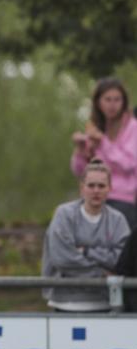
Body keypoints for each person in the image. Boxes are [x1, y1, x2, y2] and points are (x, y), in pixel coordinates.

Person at [43, 160, 130, 312]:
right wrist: (102, 275)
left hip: (105, 304)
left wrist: (87, 251)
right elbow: (62, 259)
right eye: (91, 185)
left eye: (101, 186)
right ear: (82, 188)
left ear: (109, 188)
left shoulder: (118, 220)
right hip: (66, 304)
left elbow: (123, 260)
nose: (96, 190)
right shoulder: (64, 215)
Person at [71, 78, 137, 227]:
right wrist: (80, 150)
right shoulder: (95, 126)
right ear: (98, 102)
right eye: (107, 99)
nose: (112, 105)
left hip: (122, 200)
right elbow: (79, 171)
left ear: (124, 102)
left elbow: (128, 164)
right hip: (93, 198)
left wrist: (103, 143)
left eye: (117, 100)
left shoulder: (132, 127)